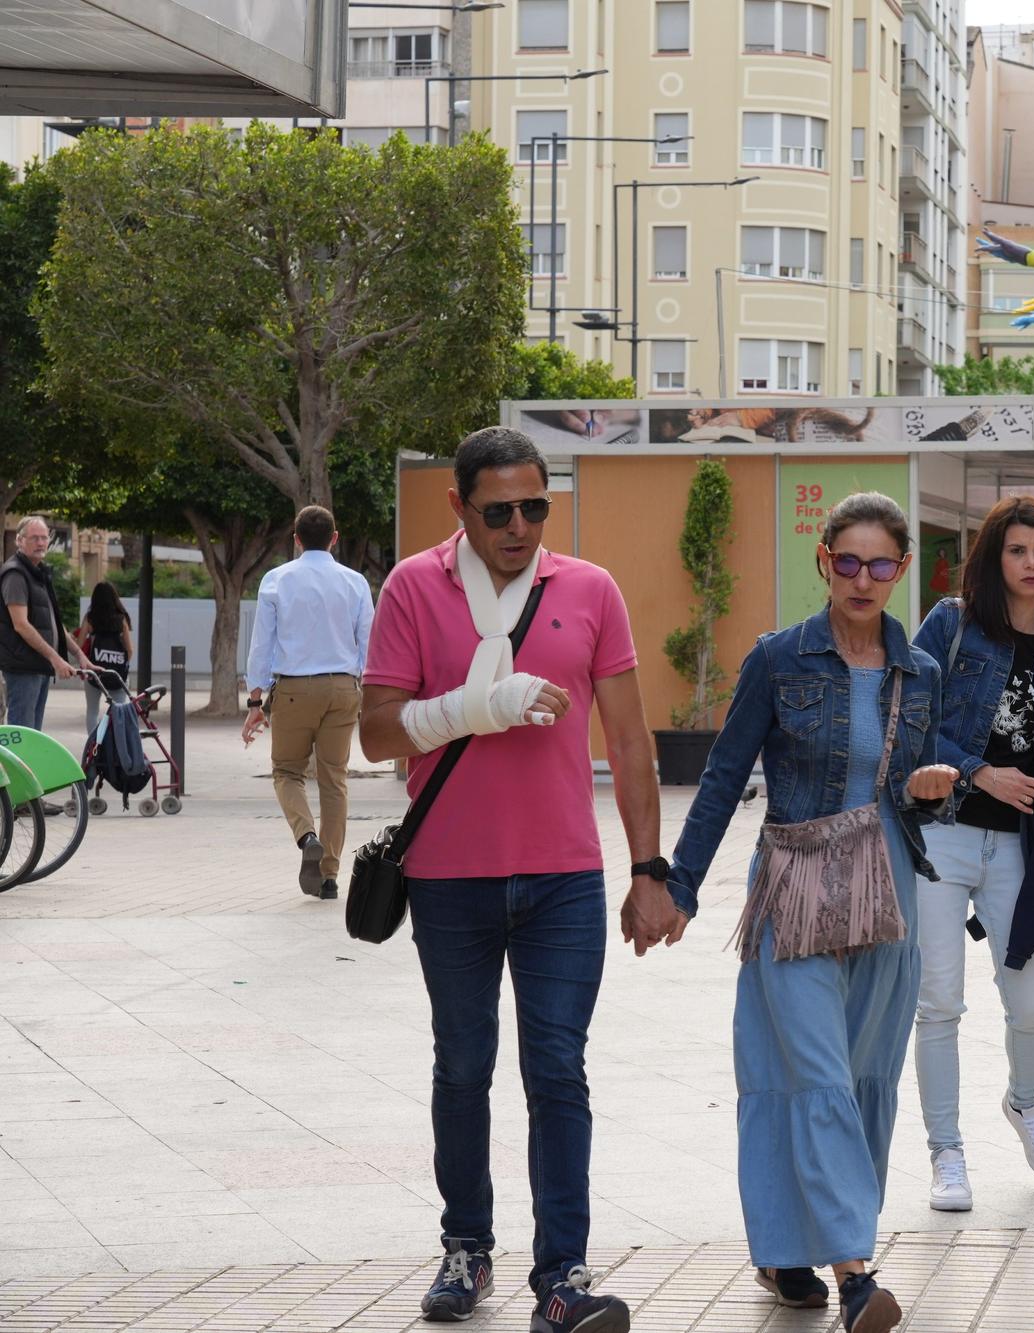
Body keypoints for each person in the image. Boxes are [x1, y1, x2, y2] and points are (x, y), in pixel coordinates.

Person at [359, 428, 666, 1331]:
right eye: (501, 510)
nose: (522, 526)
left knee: (558, 1069)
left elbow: (632, 742)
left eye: (537, 506)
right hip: (449, 874)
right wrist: (476, 708)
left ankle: (563, 1274)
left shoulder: (589, 589)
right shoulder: (415, 586)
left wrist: (651, 870)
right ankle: (466, 1246)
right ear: (458, 507)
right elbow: (377, 734)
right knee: (463, 1065)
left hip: (564, 877)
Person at [662, 490, 956, 1329]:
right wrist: (679, 882)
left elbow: (912, 792)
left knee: (863, 1078)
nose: (864, 578)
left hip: (888, 887)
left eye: (882, 563)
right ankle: (855, 1268)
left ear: (900, 571)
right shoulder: (778, 659)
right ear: (824, 562)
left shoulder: (921, 672)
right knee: (810, 1073)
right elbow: (722, 774)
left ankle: (790, 1250)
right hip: (793, 884)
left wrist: (931, 789)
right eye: (849, 561)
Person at [911, 497, 1034, 1216]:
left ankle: (1024, 1102)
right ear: (994, 558)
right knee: (938, 1000)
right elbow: (911, 727)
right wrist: (978, 770)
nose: (1030, 563)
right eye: (1016, 551)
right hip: (942, 832)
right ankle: (947, 1151)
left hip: (1024, 843)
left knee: (1028, 1001)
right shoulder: (953, 623)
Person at [242, 506, 375, 900]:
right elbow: (369, 643)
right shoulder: (355, 583)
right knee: (335, 780)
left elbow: (261, 644)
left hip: (294, 689)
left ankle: (306, 836)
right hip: (343, 688)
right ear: (335, 538)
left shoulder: (276, 580)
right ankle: (331, 875)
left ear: (296, 539)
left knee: (286, 772)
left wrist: (254, 700)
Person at [0, 516, 76, 729]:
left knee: (34, 734)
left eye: (44, 538)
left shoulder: (39, 573)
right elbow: (21, 625)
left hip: (38, 666)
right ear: (19, 540)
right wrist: (56, 659)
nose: (41, 543)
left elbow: (55, 623)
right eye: (34, 538)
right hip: (23, 667)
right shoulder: (15, 573)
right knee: (24, 735)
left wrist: (80, 656)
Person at [70, 582, 133, 732]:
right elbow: (130, 649)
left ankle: (94, 747)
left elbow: (79, 645)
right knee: (118, 713)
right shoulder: (121, 619)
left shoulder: (90, 618)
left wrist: (72, 639)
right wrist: (120, 665)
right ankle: (115, 744)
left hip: (94, 673)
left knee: (92, 711)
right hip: (117, 674)